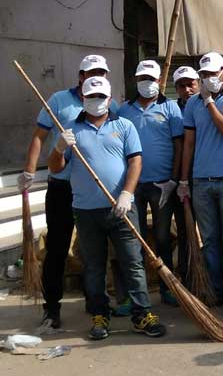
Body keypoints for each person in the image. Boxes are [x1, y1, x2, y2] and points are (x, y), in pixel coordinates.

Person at [47, 76, 166, 340]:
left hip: (122, 209)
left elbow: (135, 162)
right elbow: (56, 169)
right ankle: (100, 314)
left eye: (101, 97)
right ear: (83, 99)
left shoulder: (124, 126)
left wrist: (127, 193)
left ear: (110, 99)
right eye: (91, 97)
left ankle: (142, 314)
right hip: (86, 211)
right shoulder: (70, 129)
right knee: (93, 266)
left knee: (133, 262)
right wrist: (58, 149)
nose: (96, 102)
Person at [19, 55, 114, 329]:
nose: (97, 76)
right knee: (58, 247)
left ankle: (94, 301)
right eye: (91, 72)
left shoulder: (109, 102)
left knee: (93, 249)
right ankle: (51, 308)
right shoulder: (60, 100)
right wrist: (28, 171)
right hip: (62, 186)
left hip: (91, 189)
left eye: (102, 72)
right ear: (80, 75)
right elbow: (39, 136)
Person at [178, 52, 223, 313]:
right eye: (204, 74)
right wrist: (184, 180)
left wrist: (209, 102)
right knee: (209, 239)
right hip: (201, 180)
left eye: (213, 73)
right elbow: (188, 142)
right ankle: (214, 289)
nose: (208, 78)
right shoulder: (192, 104)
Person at [118, 60, 184, 307]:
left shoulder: (171, 109)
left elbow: (179, 145)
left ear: (159, 81)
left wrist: (174, 180)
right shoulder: (124, 110)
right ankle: (134, 294)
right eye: (142, 78)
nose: (147, 83)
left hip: (162, 185)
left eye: (151, 79)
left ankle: (167, 287)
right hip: (132, 186)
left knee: (163, 237)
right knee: (131, 241)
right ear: (136, 81)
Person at [171, 65, 200, 282]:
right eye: (182, 86)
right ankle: (188, 278)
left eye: (191, 84)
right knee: (184, 231)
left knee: (209, 232)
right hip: (180, 178)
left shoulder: (207, 106)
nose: (187, 89)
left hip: (204, 176)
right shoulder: (172, 111)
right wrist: (180, 179)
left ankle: (209, 276)